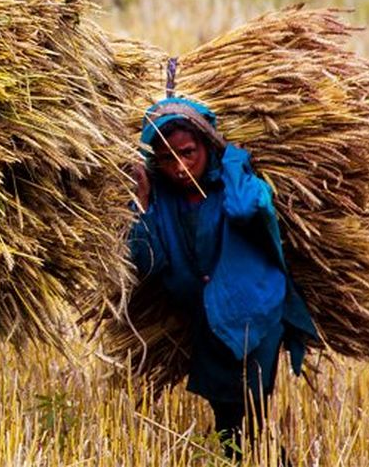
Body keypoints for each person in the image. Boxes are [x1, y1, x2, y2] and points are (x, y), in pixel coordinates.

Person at [130, 96, 317, 463]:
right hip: (208, 320)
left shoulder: (234, 181)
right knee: (227, 422)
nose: (181, 167)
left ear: (206, 145)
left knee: (252, 412)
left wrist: (232, 159)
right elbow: (146, 262)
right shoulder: (162, 199)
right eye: (168, 158)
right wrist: (142, 202)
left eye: (189, 153)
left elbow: (247, 207)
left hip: (255, 312)